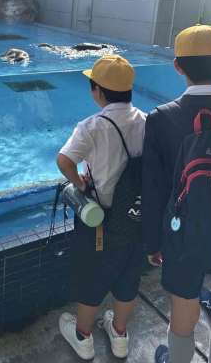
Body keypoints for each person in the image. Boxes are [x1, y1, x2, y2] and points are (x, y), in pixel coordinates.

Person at [142, 25, 211, 363]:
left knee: (183, 315)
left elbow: (153, 190)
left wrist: (153, 243)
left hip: (182, 235)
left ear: (177, 66)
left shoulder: (161, 119)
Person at [56, 54, 146, 360]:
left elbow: (64, 160)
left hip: (101, 220)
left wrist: (79, 184)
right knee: (129, 275)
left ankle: (83, 337)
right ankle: (119, 334)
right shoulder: (147, 121)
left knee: (92, 275)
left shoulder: (92, 127)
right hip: (135, 215)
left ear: (97, 91)